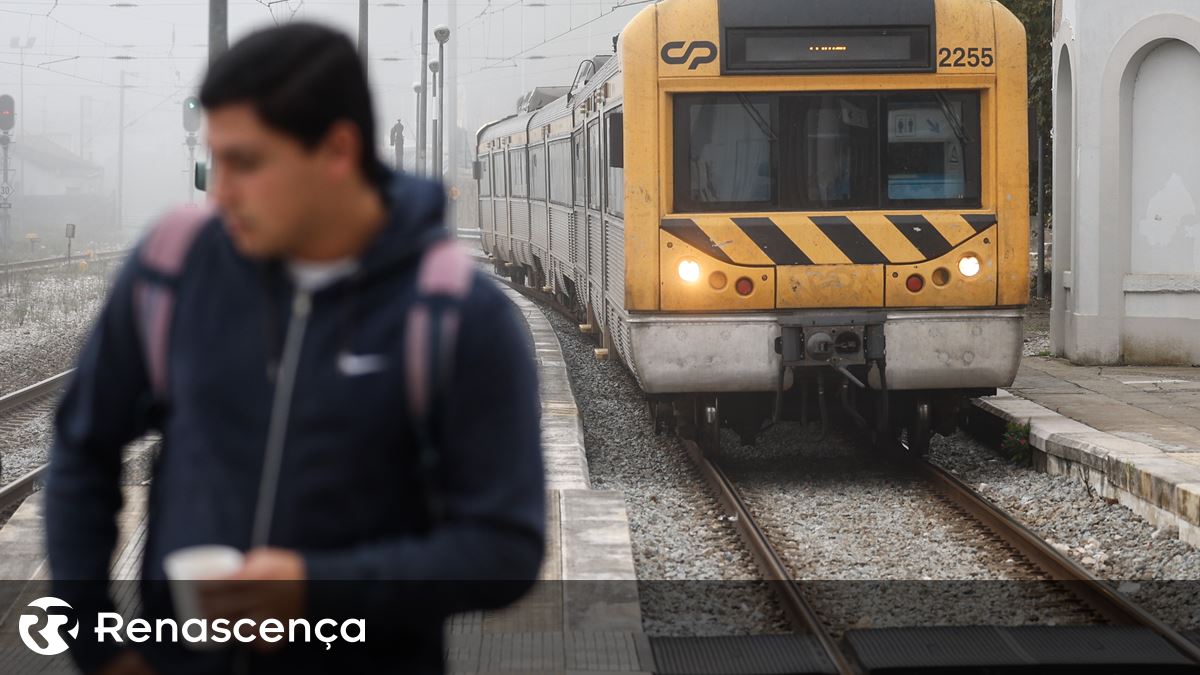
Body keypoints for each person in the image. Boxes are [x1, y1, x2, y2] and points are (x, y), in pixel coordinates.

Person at [45, 23, 544, 674]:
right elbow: (83, 447)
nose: (218, 192)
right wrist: (97, 646)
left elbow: (504, 546)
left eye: (246, 162)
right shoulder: (174, 268)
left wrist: (318, 588)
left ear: (337, 150)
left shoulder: (457, 315)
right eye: (214, 159)